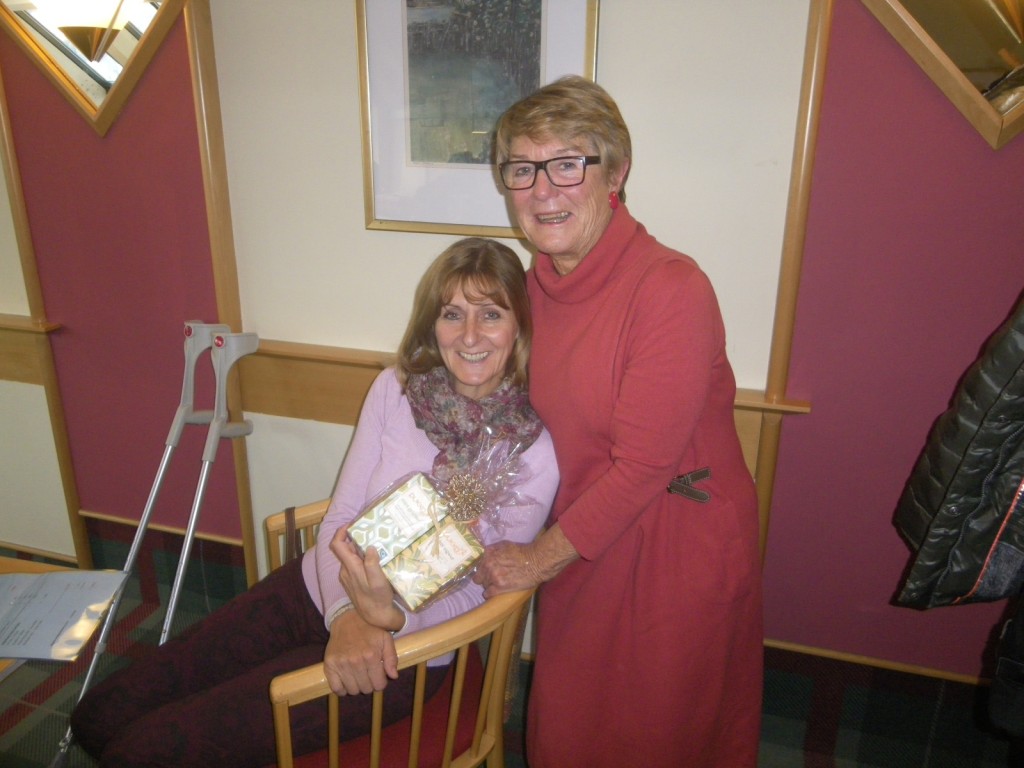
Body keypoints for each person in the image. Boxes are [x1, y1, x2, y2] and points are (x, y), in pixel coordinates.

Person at [70, 237, 559, 767]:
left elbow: (483, 593)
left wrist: (390, 620)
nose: (469, 335)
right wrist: (347, 612)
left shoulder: (531, 450)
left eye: (491, 314)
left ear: (520, 326)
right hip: (317, 588)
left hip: (402, 655)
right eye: (452, 314)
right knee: (98, 714)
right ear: (431, 323)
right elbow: (341, 519)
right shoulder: (396, 390)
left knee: (142, 752)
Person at [473, 75, 763, 767]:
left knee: (652, 736)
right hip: (586, 531)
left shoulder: (671, 289)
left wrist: (533, 561)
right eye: (522, 168)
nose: (543, 190)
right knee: (569, 727)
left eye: (568, 163)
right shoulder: (532, 288)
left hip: (672, 547)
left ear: (616, 174)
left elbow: (644, 467)